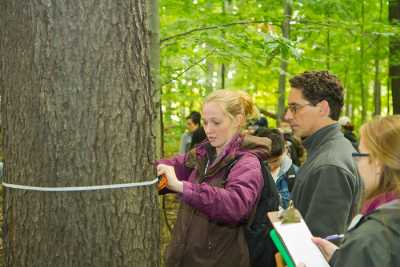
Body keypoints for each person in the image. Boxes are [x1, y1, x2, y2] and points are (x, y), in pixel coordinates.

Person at [157, 90, 271, 267]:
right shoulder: (202, 154)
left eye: (216, 122)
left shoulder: (247, 162)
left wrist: (182, 187)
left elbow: (236, 205)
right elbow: (170, 166)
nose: (208, 130)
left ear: (238, 120)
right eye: (205, 122)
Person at [312, 115, 400, 266]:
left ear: (378, 163)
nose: (357, 164)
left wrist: (354, 253)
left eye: (360, 155)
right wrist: (341, 258)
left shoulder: (371, 237)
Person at [284, 70, 361, 237]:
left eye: (294, 108)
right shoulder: (324, 150)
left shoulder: (330, 165)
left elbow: (322, 246)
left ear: (323, 109)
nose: (287, 116)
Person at [254, 127, 298, 209]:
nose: (271, 166)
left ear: (285, 150)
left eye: (275, 161)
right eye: (265, 162)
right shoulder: (252, 170)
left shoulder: (294, 174)